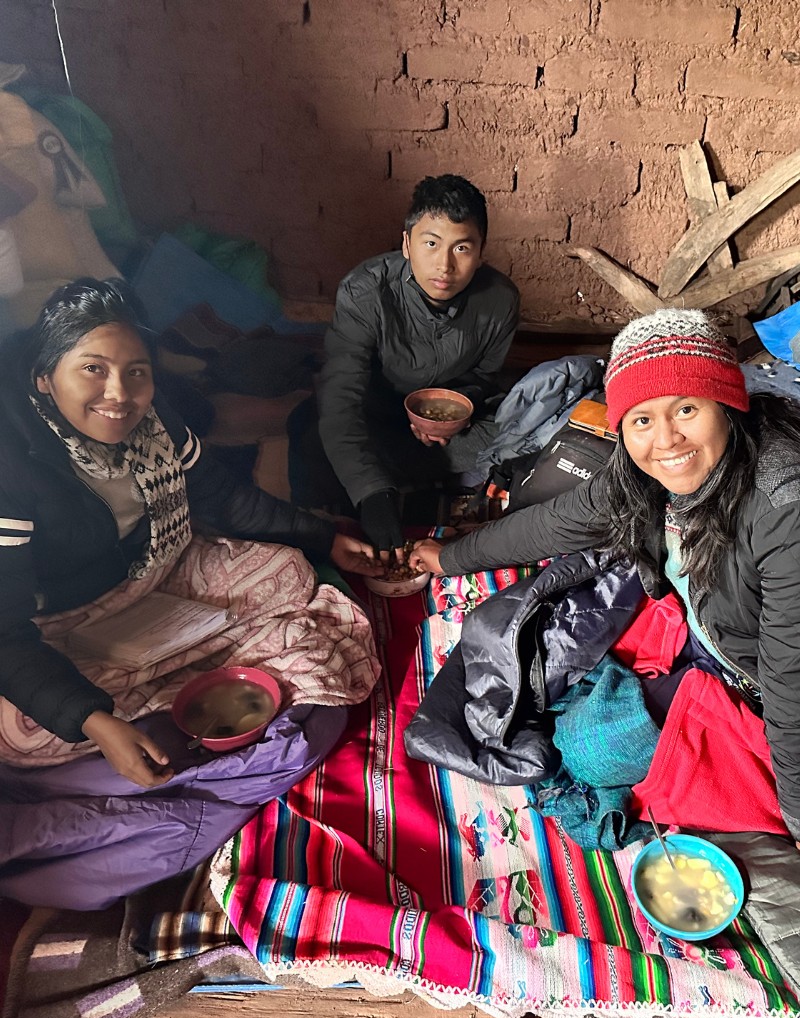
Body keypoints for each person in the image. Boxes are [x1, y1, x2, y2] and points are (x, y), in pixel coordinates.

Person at [410, 308, 800, 842]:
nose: (666, 440)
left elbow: (790, 679)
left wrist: (797, 815)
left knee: (591, 750)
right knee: (533, 643)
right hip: (700, 622)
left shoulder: (784, 509)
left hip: (753, 674)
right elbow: (553, 524)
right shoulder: (643, 474)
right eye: (642, 420)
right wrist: (450, 559)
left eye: (686, 409)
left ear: (727, 403)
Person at [0, 278, 382, 789]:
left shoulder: (154, 422)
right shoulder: (11, 465)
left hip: (151, 575)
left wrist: (325, 538)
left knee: (287, 568)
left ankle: (156, 695)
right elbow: (4, 631)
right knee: (24, 730)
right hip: (61, 618)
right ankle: (142, 705)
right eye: (93, 369)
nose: (119, 394)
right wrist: (92, 720)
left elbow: (224, 498)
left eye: (136, 372)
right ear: (45, 377)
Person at [288, 174, 520, 563]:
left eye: (462, 248)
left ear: (481, 252)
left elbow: (484, 378)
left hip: (446, 435)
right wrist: (372, 493)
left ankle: (407, 489)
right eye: (431, 243)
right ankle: (390, 491)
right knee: (314, 429)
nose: (444, 265)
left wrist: (453, 413)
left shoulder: (500, 300)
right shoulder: (365, 292)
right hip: (375, 419)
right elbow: (342, 396)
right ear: (407, 244)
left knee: (517, 435)